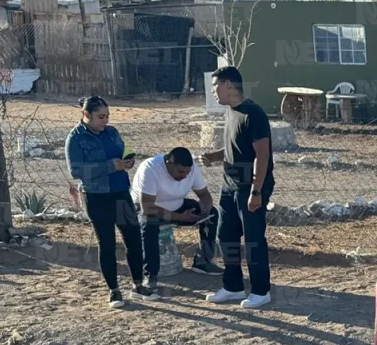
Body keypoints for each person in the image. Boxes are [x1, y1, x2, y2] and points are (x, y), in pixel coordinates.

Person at [65, 96, 154, 307]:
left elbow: (125, 149)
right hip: (96, 197)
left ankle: (138, 284)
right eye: (100, 117)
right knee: (106, 244)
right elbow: (76, 171)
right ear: (86, 115)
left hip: (121, 192)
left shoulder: (113, 132)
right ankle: (114, 290)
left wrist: (128, 161)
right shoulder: (75, 139)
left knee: (133, 238)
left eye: (107, 116)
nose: (105, 121)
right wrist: (110, 166)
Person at [200, 66, 275, 309]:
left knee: (253, 239)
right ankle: (233, 286)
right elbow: (236, 148)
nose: (214, 92)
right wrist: (215, 156)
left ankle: (261, 291)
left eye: (216, 87)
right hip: (229, 185)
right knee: (226, 236)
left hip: (250, 187)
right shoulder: (230, 112)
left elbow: (261, 155)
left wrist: (256, 191)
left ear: (230, 85)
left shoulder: (254, 114)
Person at [131, 147, 220, 281]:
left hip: (176, 205)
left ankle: (203, 261)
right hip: (149, 209)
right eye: (180, 172)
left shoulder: (192, 169)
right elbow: (148, 208)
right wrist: (180, 217)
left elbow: (205, 195)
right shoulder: (150, 168)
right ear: (168, 163)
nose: (184, 176)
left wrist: (205, 210)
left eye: (187, 172)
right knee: (149, 224)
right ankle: (150, 275)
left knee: (212, 214)